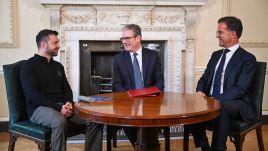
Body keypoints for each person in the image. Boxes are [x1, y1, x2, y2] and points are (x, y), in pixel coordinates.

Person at [20, 29, 103, 151]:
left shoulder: (58, 66)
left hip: (62, 106)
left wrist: (69, 103)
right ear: (43, 44)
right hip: (38, 108)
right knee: (60, 121)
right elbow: (32, 94)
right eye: (55, 43)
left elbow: (66, 89)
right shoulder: (28, 66)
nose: (59, 46)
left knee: (95, 119)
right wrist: (59, 108)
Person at [190, 16, 257, 151]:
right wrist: (199, 91)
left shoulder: (247, 58)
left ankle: (218, 148)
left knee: (223, 107)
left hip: (236, 103)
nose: (217, 36)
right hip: (212, 99)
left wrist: (215, 100)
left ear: (233, 34)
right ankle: (204, 147)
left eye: (220, 32)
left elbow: (240, 88)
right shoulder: (216, 55)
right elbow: (204, 78)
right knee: (190, 105)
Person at [112, 24, 164, 146]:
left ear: (138, 38)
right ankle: (141, 145)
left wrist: (149, 98)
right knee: (128, 120)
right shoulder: (118, 59)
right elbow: (117, 85)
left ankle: (144, 146)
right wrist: (131, 99)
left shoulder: (153, 56)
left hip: (150, 102)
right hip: (128, 103)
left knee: (150, 120)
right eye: (123, 39)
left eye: (128, 38)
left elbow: (160, 82)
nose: (125, 41)